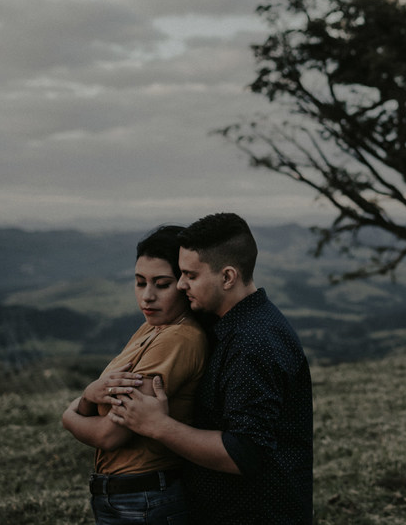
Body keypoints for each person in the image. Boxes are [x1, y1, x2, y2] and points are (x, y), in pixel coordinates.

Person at [110, 212, 315, 525]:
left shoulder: (253, 342)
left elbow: (243, 453)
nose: (181, 284)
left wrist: (158, 426)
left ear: (228, 277)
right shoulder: (236, 328)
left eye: (191, 275)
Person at [62, 224, 209, 525]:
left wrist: (68, 415)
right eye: (140, 282)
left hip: (144, 501)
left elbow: (110, 434)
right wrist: (90, 395)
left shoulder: (178, 338)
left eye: (162, 284)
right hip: (129, 498)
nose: (147, 296)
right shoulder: (152, 328)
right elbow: (101, 402)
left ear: (184, 283)